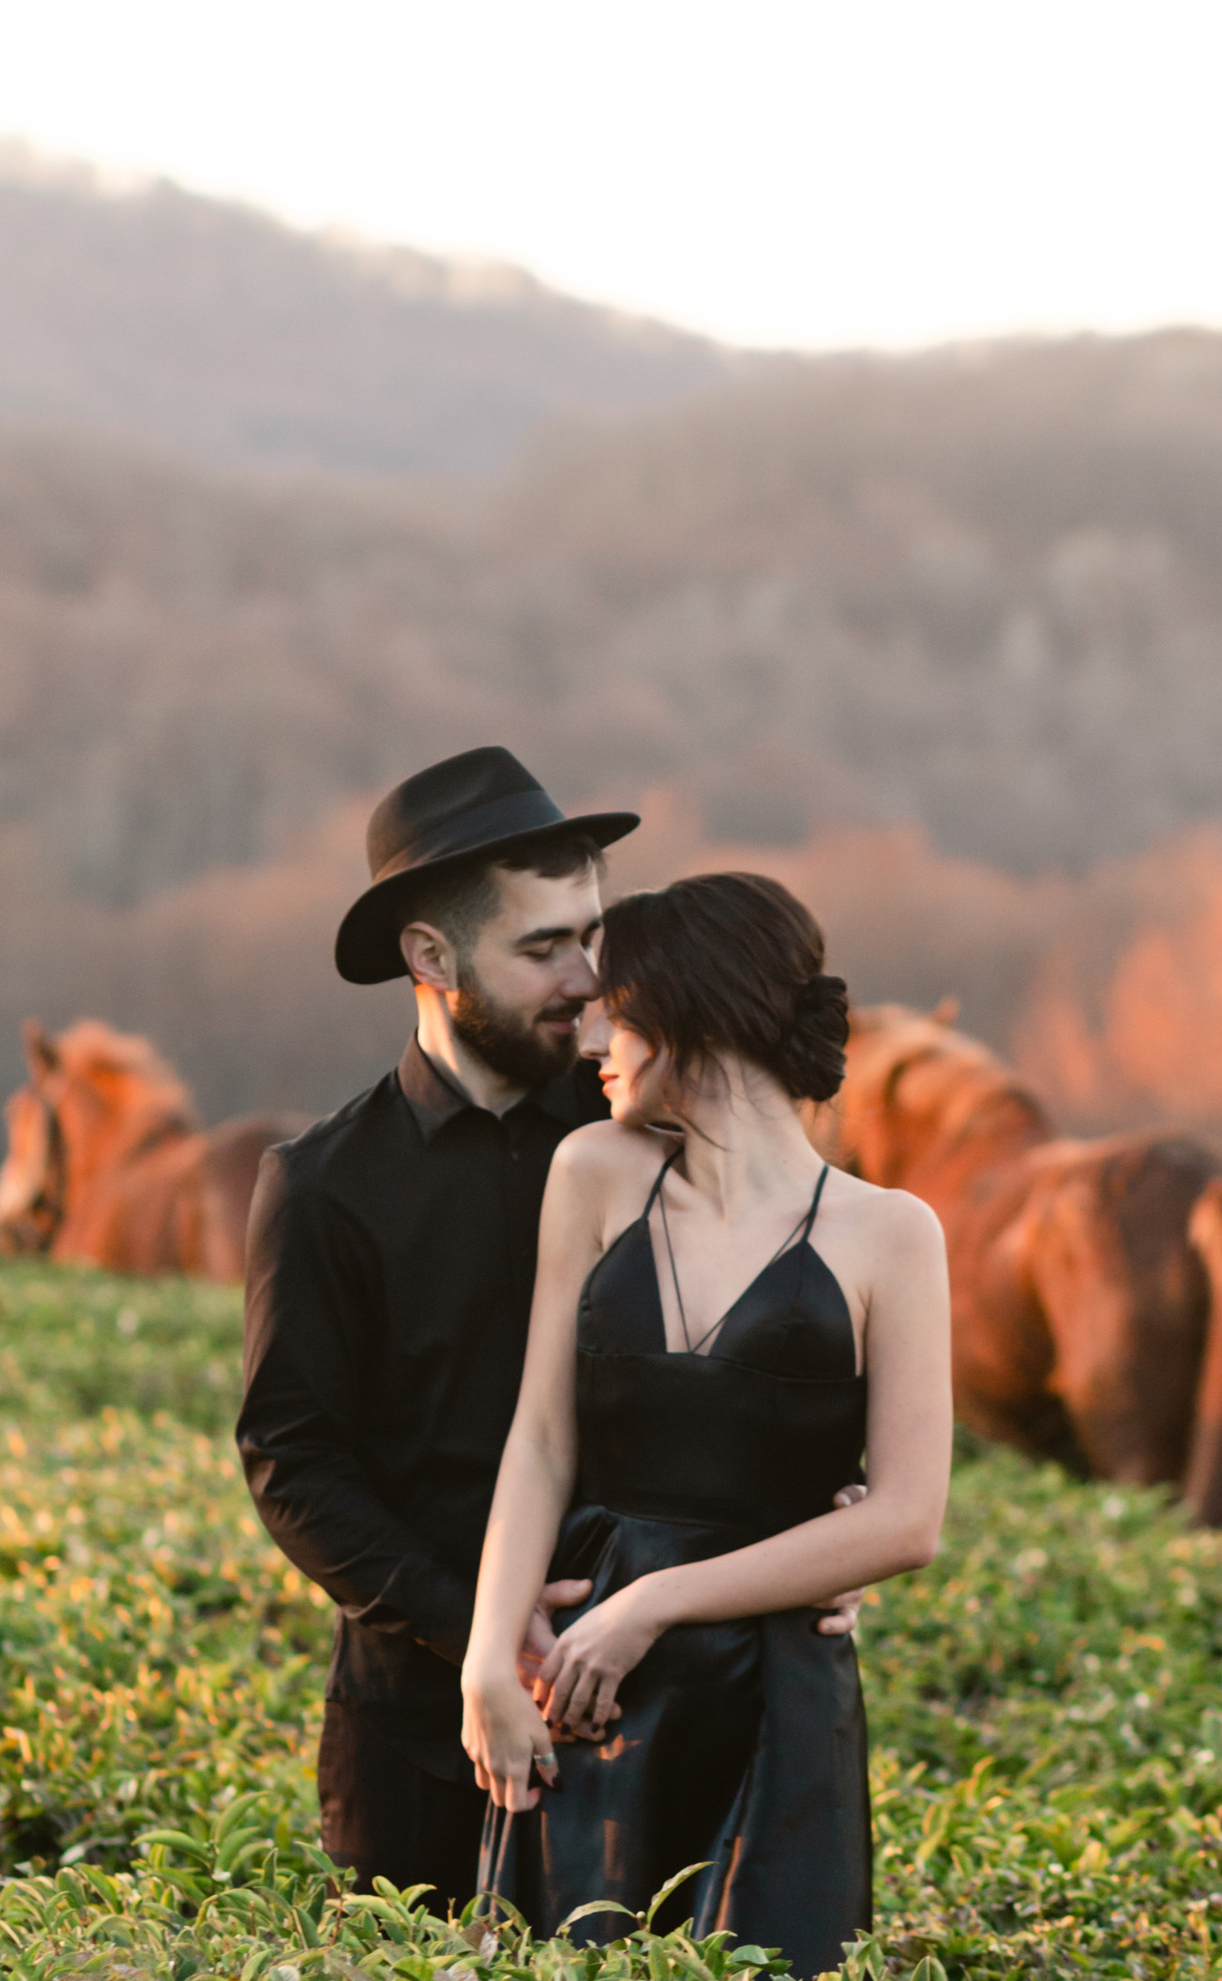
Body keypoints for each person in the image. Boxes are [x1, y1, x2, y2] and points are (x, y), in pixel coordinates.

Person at [238, 748, 867, 1908]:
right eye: (542, 950)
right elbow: (292, 1462)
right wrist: (478, 1626)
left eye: (592, 939)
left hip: (667, 1709)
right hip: (423, 1729)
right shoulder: (325, 1184)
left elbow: (776, 1340)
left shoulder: (653, 1121)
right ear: (430, 959)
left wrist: (823, 1513)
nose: (587, 981)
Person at [460, 871, 953, 1977]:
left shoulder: (892, 1233)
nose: (593, 1038)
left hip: (775, 1690)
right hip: (591, 1688)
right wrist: (488, 1653)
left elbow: (906, 1521)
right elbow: (540, 1439)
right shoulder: (592, 1172)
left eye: (615, 1009)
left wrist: (651, 1603)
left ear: (691, 1009)